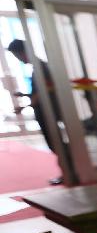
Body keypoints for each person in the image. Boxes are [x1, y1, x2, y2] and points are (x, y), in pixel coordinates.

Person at [7, 39, 69, 184]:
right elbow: (41, 91)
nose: (19, 60)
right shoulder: (39, 67)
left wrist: (24, 107)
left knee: (56, 144)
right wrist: (25, 96)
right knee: (56, 143)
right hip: (47, 112)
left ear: (23, 52)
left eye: (17, 56)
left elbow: (42, 93)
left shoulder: (40, 67)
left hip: (48, 113)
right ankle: (67, 172)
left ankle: (69, 172)